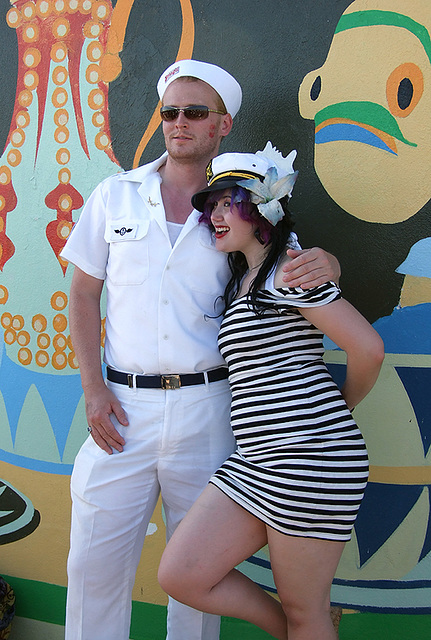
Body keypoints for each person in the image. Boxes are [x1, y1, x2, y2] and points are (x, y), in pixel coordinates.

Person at [61, 59, 341, 640]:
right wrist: (92, 389)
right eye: (170, 112)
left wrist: (330, 264)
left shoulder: (240, 205)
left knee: (199, 584)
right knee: (92, 570)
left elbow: (292, 260)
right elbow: (83, 293)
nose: (179, 123)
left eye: (195, 112)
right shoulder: (116, 195)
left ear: (223, 124)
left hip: (211, 410)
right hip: (120, 410)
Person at [158, 147, 385, 640]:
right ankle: (295, 631)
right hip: (258, 463)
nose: (213, 215)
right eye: (210, 205)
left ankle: (306, 628)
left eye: (226, 203)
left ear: (262, 209)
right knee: (180, 574)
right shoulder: (247, 277)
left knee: (307, 612)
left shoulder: (289, 270)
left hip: (310, 461)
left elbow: (368, 349)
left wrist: (340, 408)